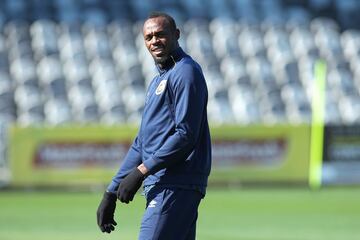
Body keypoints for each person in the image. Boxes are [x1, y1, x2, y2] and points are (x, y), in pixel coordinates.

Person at [97, 12, 212, 240]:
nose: (154, 41)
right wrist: (111, 191)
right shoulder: (159, 80)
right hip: (164, 183)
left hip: (176, 183)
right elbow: (142, 143)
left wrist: (141, 171)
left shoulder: (185, 72)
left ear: (176, 35)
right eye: (148, 37)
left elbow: (186, 134)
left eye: (160, 34)